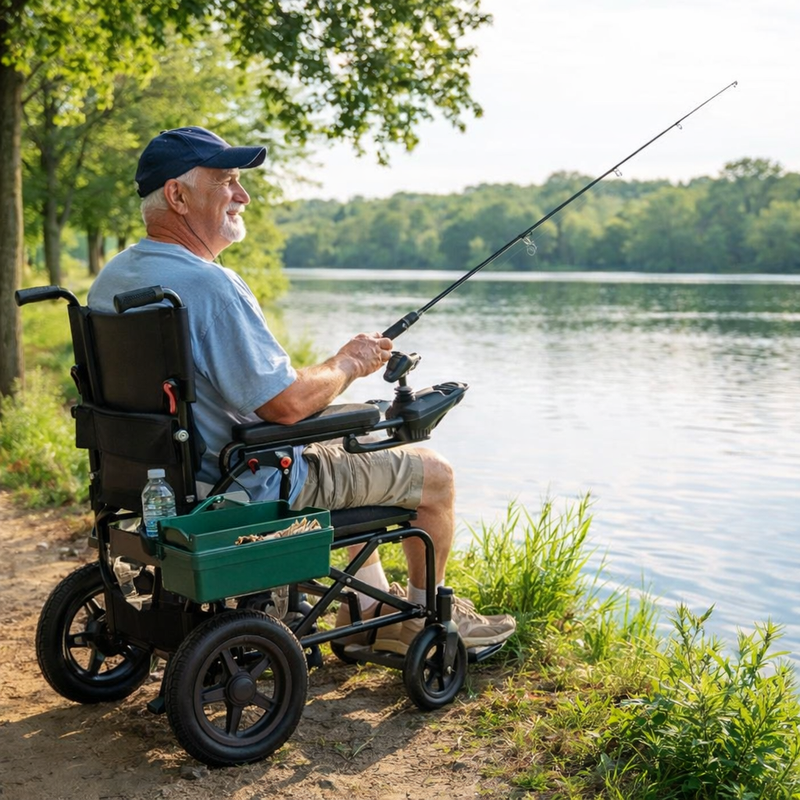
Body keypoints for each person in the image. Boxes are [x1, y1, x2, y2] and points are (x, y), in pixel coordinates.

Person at [88, 126, 515, 654]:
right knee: (434, 474)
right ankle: (422, 617)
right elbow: (286, 405)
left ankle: (370, 605)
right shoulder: (210, 285)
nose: (242, 196)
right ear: (177, 195)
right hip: (239, 483)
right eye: (227, 182)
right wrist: (350, 362)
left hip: (156, 479)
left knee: (350, 447)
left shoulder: (113, 278)